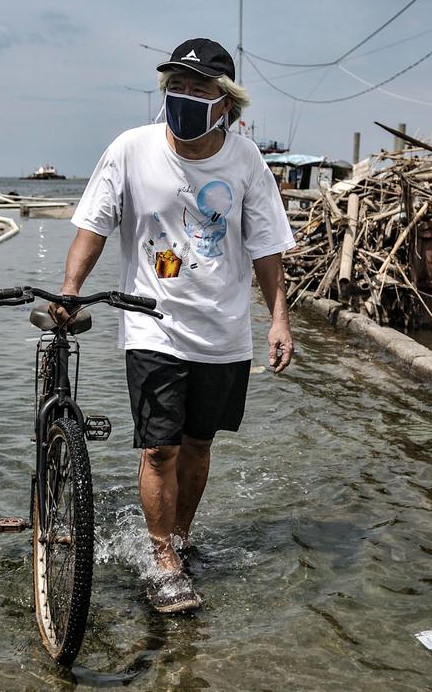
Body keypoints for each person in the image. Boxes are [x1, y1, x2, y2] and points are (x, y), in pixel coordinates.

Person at [53, 38, 296, 613]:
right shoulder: (130, 149)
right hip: (150, 326)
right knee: (159, 449)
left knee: (198, 445)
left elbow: (266, 249)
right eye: (175, 87)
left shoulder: (246, 160)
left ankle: (179, 540)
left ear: (225, 103)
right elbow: (94, 226)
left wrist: (278, 320)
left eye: (197, 88)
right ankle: (163, 563)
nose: (182, 97)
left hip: (223, 331)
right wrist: (69, 291)